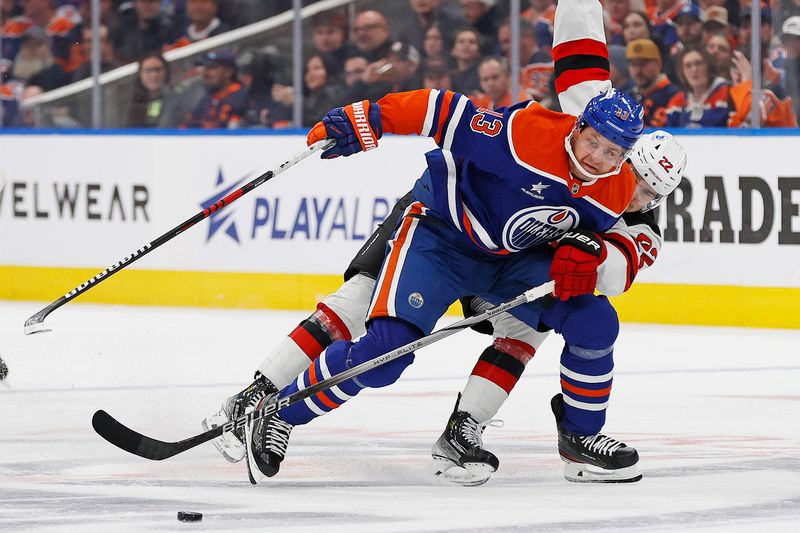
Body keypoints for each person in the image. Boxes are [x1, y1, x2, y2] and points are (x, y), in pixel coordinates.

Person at [224, 0, 646, 486]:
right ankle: (279, 410)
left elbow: (612, 234)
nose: (597, 157)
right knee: (387, 353)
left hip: (511, 261)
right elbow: (441, 111)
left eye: (613, 152)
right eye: (593, 142)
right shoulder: (525, 135)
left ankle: (581, 438)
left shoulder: (616, 185)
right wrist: (369, 120)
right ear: (578, 126)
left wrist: (599, 254)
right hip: (442, 238)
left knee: (595, 320)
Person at [431, 129, 687, 485]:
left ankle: (477, 430)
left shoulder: (643, 228)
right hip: (486, 258)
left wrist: (592, 252)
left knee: (576, 326)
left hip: (534, 286)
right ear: (622, 161)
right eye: (638, 181)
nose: (637, 198)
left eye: (650, 194)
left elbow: (615, 274)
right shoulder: (579, 171)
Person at [665, 44, 729, 127]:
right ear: (682, 72)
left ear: (708, 66)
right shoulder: (678, 101)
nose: (694, 69)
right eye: (688, 66)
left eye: (698, 63)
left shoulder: (727, 93)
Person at [182, 50, 248, 128]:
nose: (206, 73)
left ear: (229, 71)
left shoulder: (242, 97)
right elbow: (187, 127)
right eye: (205, 67)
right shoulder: (205, 99)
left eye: (212, 67)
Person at [626, 38, 680, 127]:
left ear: (659, 64)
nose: (638, 70)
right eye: (633, 64)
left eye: (643, 63)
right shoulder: (627, 96)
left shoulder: (673, 94)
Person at [127, 52, 177, 127]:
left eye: (158, 70)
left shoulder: (176, 98)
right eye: (148, 70)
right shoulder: (132, 103)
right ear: (140, 74)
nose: (154, 75)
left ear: (166, 72)